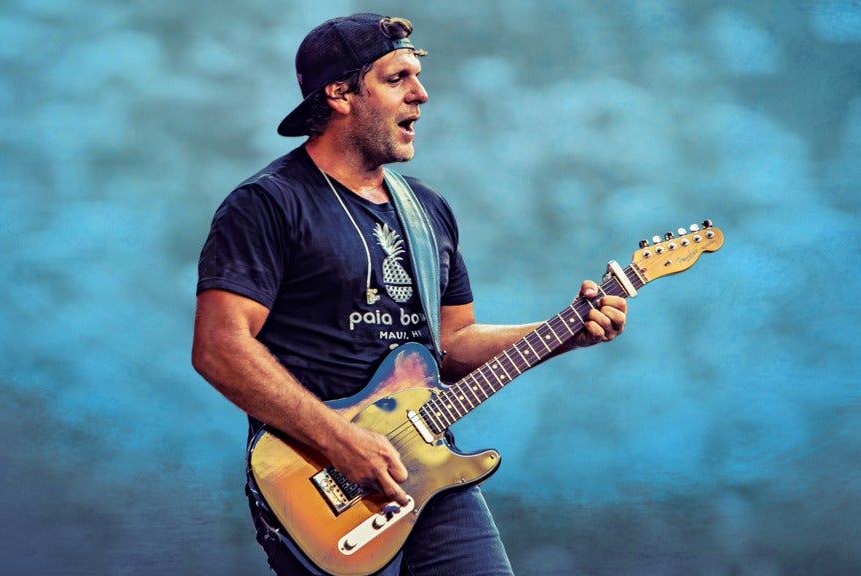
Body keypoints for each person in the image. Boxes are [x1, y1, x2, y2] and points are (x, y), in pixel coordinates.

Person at [192, 13, 628, 576]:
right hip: (320, 486)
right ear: (340, 93)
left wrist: (565, 331)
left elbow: (453, 344)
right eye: (397, 78)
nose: (421, 95)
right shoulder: (268, 203)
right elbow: (219, 347)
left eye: (416, 77)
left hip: (428, 470)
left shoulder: (427, 210)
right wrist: (341, 440)